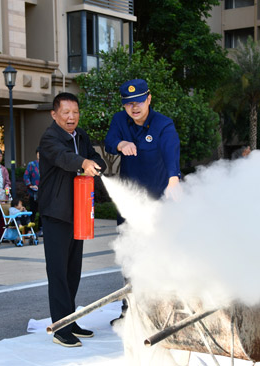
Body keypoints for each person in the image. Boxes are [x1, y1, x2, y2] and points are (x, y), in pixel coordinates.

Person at [104, 78, 182, 324]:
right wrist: (121, 143)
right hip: (129, 204)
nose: (134, 107)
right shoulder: (120, 121)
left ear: (149, 99)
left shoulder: (163, 125)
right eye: (128, 103)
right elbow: (109, 141)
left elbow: (172, 151)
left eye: (139, 101)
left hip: (158, 202)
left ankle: (164, 310)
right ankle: (130, 310)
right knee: (130, 255)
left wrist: (173, 179)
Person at [39, 92, 105, 347]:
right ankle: (59, 328)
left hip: (78, 210)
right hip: (56, 212)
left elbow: (95, 158)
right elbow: (63, 158)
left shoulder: (82, 136)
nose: (71, 117)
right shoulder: (50, 138)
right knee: (57, 271)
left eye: (75, 112)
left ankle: (71, 319)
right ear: (54, 114)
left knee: (72, 270)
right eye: (66, 112)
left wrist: (95, 164)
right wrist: (83, 162)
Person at [23, 147, 42, 236]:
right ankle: (29, 230)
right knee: (32, 212)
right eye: (38, 153)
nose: (40, 155)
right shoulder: (31, 164)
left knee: (43, 212)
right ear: (36, 154)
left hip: (44, 192)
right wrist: (30, 185)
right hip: (33, 192)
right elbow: (26, 176)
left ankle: (42, 229)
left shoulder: (47, 165)